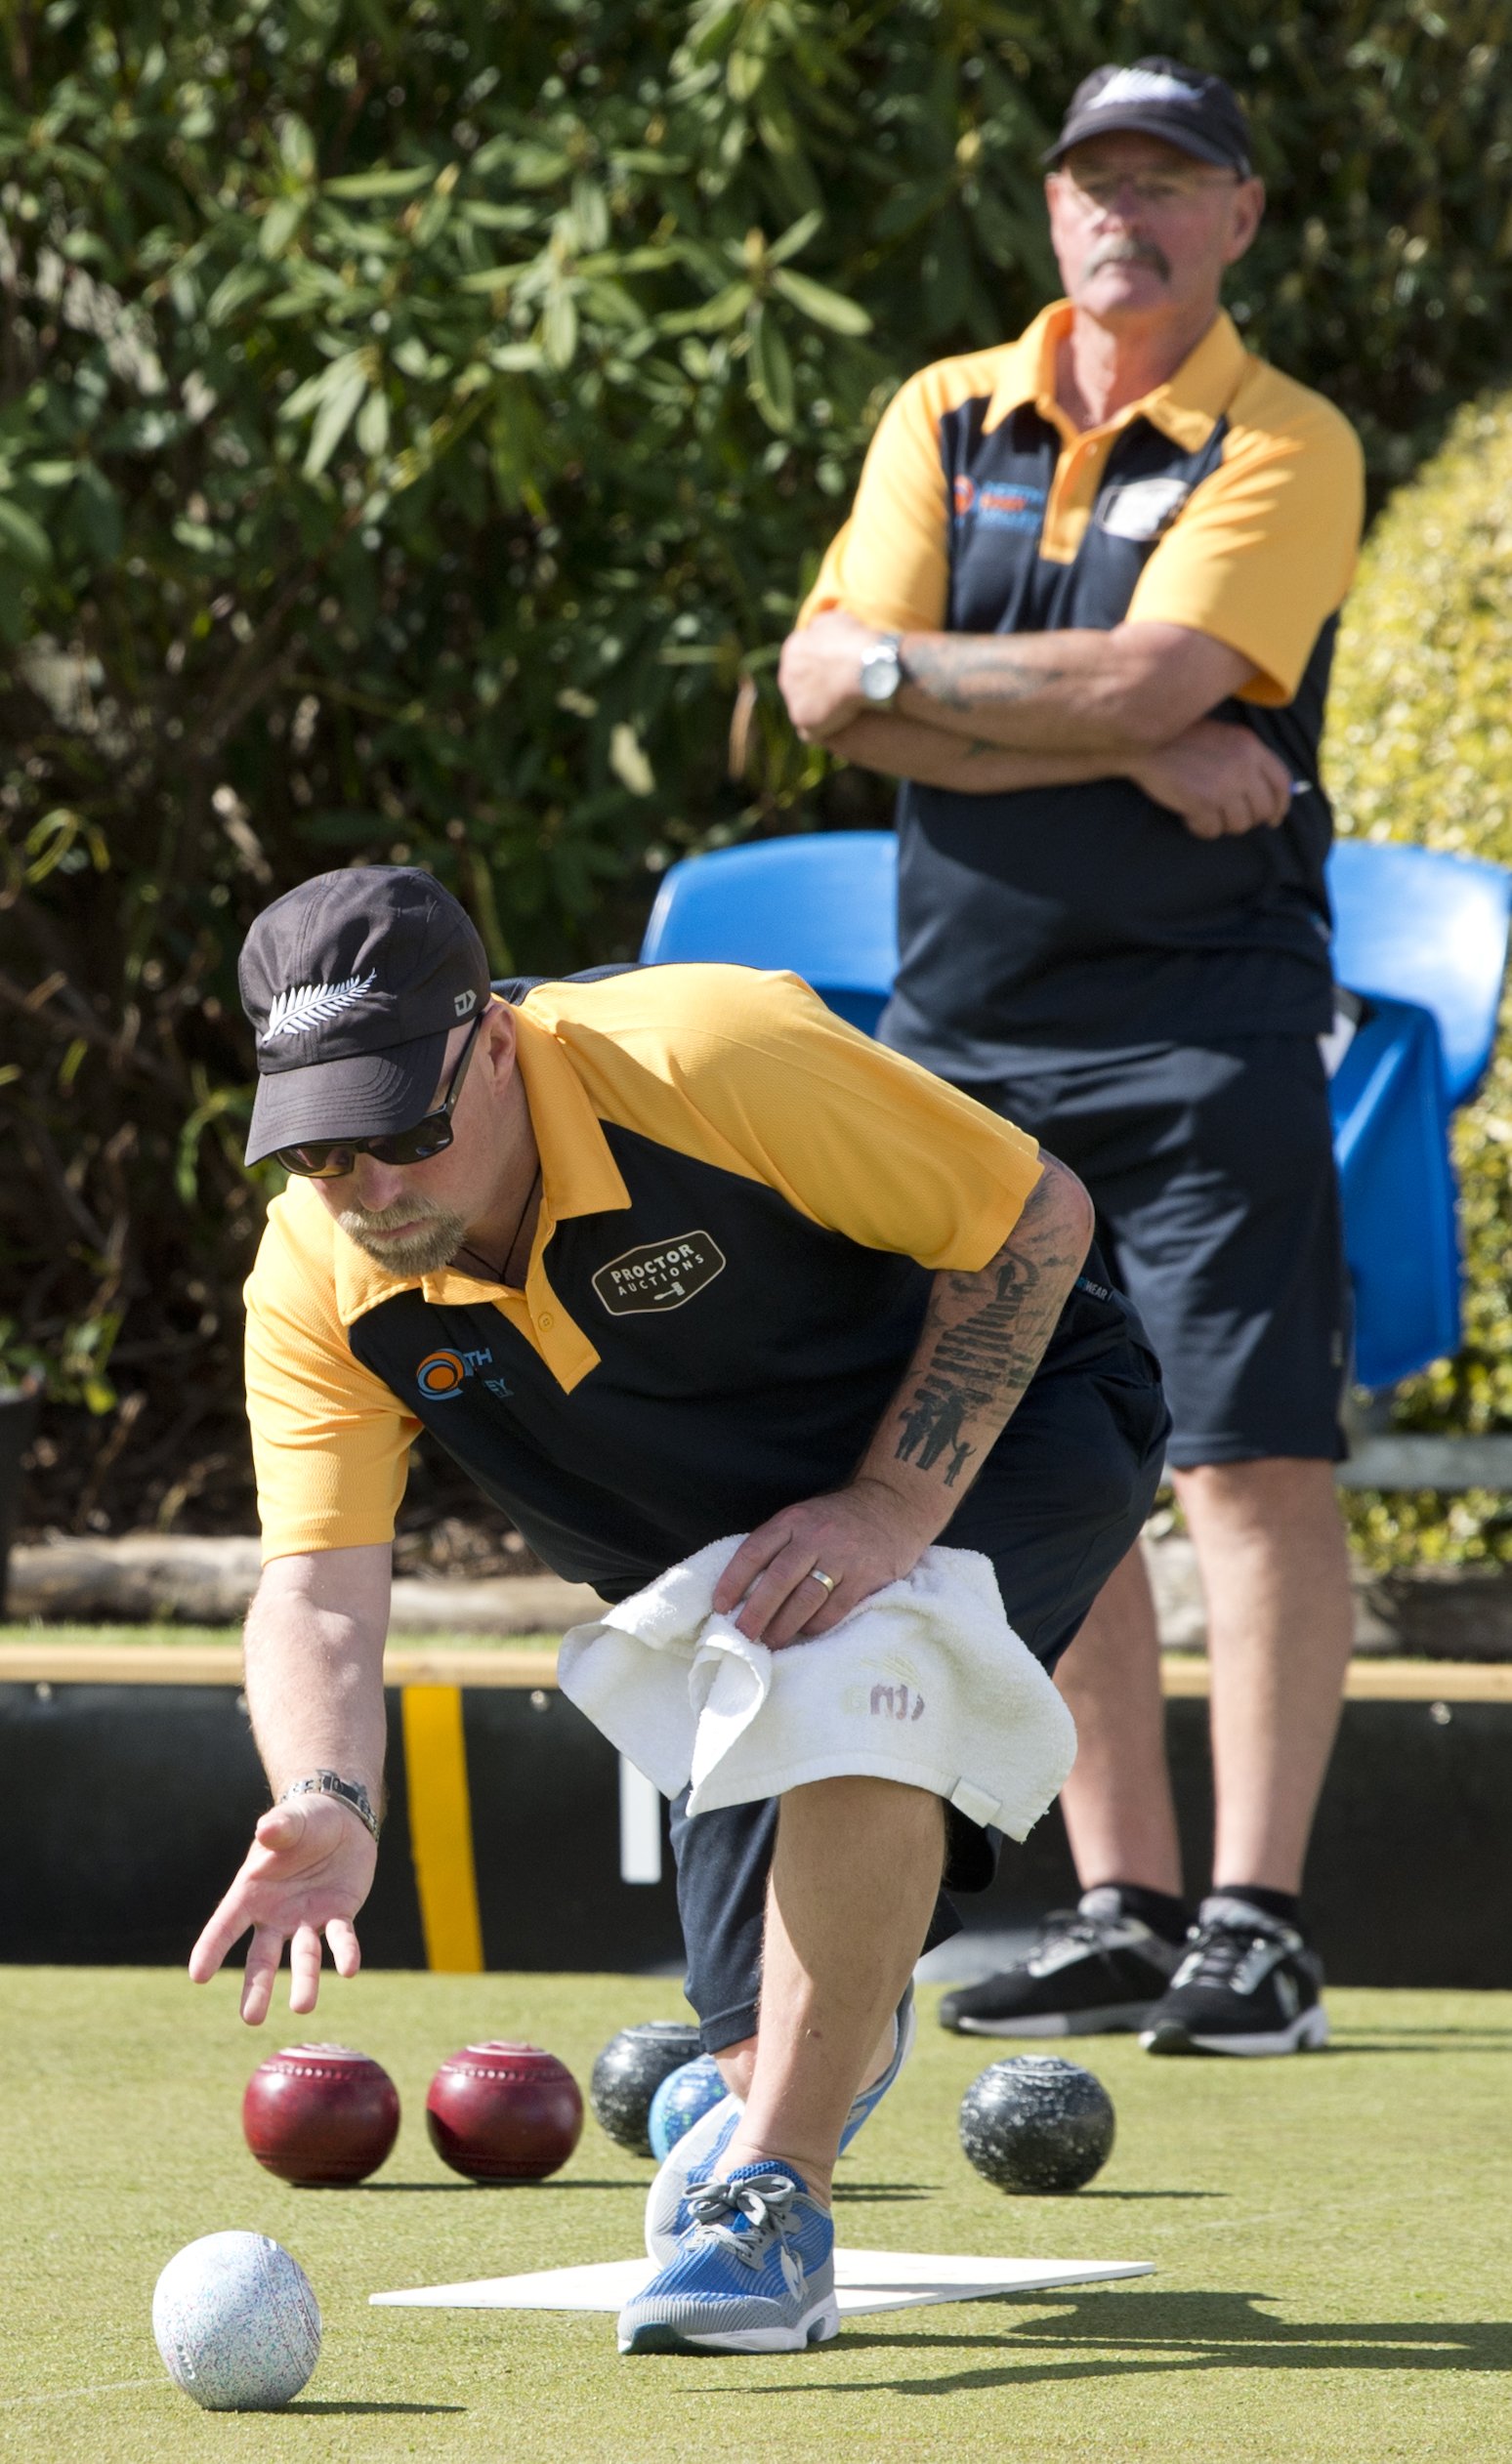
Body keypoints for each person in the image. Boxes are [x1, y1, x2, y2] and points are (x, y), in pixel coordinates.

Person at [189, 863, 1165, 2356]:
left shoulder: (713, 1056)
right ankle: (800, 2060)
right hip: (732, 1572)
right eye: (325, 1153)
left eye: (407, 1130)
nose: (373, 1190)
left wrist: (892, 1507)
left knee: (865, 1671)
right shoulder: (317, 1276)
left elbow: (1038, 1220)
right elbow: (318, 1584)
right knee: (752, 2039)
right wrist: (327, 1797)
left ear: (495, 1045)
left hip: (1009, 1420)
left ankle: (781, 2203)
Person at [778, 57, 1365, 2056]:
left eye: (1168, 179)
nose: (1126, 210)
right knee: (1061, 1458)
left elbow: (1119, 664)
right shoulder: (941, 412)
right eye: (1094, 178)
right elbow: (817, 685)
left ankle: (1259, 1922)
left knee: (1245, 1456)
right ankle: (1123, 1899)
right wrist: (1118, 729)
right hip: (965, 1036)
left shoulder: (1285, 438)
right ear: (1049, 214)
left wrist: (929, 678)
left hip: (1209, 1021)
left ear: (1240, 215)